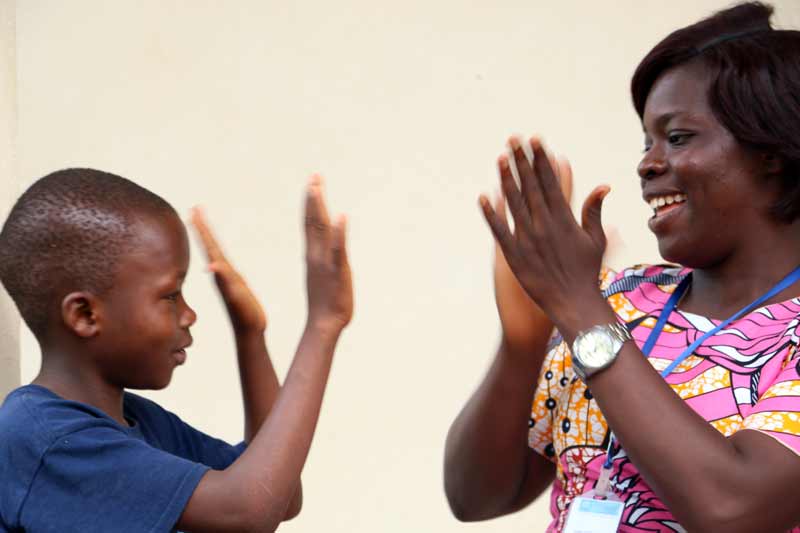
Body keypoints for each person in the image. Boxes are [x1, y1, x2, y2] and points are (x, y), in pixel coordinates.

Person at [444, 2, 800, 532]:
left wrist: (578, 308)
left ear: (770, 150)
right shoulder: (621, 296)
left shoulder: (591, 307)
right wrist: (522, 343)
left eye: (677, 137)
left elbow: (733, 509)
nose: (647, 163)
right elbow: (478, 497)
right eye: (646, 141)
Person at [0, 168, 352, 532]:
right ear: (85, 314)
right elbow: (249, 510)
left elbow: (281, 495)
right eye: (170, 295)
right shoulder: (44, 440)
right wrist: (322, 327)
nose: (189, 315)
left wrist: (251, 335)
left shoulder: (141, 422)